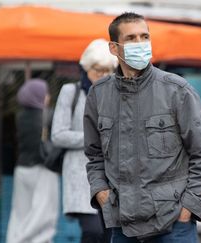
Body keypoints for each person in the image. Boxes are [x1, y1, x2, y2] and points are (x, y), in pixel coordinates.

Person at [83, 12, 201, 243]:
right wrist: (101, 193)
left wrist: (189, 209)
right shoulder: (99, 94)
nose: (140, 44)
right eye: (131, 38)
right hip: (122, 225)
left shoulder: (177, 90)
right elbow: (94, 155)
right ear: (114, 48)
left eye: (144, 37)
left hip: (173, 225)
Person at [51, 39, 117, 243]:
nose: (103, 75)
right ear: (86, 68)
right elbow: (58, 134)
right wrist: (92, 138)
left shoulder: (116, 93)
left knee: (110, 233)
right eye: (98, 70)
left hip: (111, 177)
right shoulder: (71, 92)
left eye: (108, 70)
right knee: (93, 231)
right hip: (81, 175)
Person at [7, 79, 59, 243]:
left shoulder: (20, 116)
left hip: (22, 169)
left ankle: (15, 239)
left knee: (20, 212)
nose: (48, 97)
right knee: (44, 212)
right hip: (42, 169)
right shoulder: (47, 114)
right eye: (46, 93)